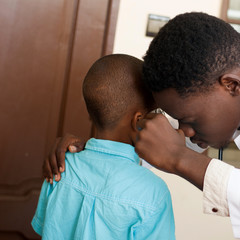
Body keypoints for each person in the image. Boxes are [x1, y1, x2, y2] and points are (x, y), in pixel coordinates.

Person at [43, 13, 240, 239]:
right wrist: (95, 152)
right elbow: (147, 125)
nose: (186, 132)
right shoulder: (226, 60)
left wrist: (183, 161)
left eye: (190, 121)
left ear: (231, 85)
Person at [33, 54, 175, 240]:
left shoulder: (61, 166)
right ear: (138, 121)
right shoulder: (154, 192)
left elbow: (44, 229)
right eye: (156, 111)